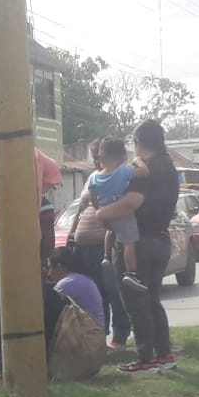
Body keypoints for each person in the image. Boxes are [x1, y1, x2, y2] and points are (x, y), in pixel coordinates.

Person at [0, 103, 62, 389]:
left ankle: (3, 371)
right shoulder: (30, 150)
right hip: (28, 238)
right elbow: (54, 175)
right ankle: (19, 365)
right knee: (24, 300)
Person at [96, 119, 178, 374]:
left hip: (138, 242)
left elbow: (132, 202)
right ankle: (164, 354)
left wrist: (101, 213)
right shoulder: (169, 166)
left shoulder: (144, 169)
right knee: (152, 300)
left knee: (136, 303)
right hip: (161, 240)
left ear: (138, 142)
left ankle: (146, 359)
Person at [67, 138, 130, 349]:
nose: (96, 161)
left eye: (99, 156)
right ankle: (99, 337)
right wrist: (73, 232)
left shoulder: (120, 176)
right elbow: (82, 206)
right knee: (95, 294)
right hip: (85, 245)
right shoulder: (95, 177)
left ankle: (119, 336)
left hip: (105, 243)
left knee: (112, 291)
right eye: (94, 157)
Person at [75, 137, 149, 293]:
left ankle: (107, 255)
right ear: (122, 157)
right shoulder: (123, 171)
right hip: (122, 214)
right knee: (129, 242)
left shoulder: (94, 177)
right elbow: (145, 172)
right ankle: (131, 273)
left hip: (106, 214)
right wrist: (138, 161)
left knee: (111, 232)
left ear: (101, 156)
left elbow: (93, 197)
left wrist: (99, 211)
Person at [47, 247, 104, 328]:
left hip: (86, 335)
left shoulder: (67, 283)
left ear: (59, 267)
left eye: (50, 267)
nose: (49, 273)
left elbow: (50, 309)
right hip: (94, 332)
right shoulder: (81, 278)